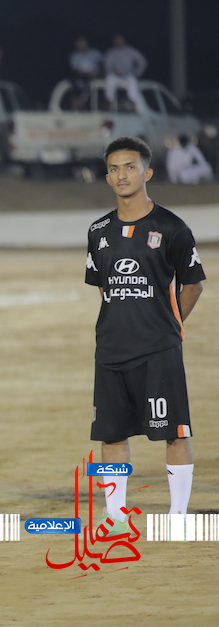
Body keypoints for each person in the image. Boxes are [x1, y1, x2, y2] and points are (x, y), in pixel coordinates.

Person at [85, 137, 204, 524]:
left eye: (130, 167)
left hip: (158, 349)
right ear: (107, 177)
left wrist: (169, 324)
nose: (122, 175)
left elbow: (193, 285)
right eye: (114, 169)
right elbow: (104, 287)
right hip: (111, 349)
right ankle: (115, 513)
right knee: (111, 433)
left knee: (175, 431)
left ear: (147, 173)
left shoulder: (172, 227)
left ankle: (178, 515)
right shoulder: (98, 231)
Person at [104, 34, 146, 108]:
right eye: (117, 40)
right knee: (110, 79)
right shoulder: (111, 52)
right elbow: (107, 65)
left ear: (124, 40)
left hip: (128, 75)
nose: (119, 41)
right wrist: (113, 71)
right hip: (115, 75)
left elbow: (142, 62)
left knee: (132, 80)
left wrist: (137, 73)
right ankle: (109, 101)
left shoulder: (131, 51)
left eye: (120, 39)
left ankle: (132, 102)